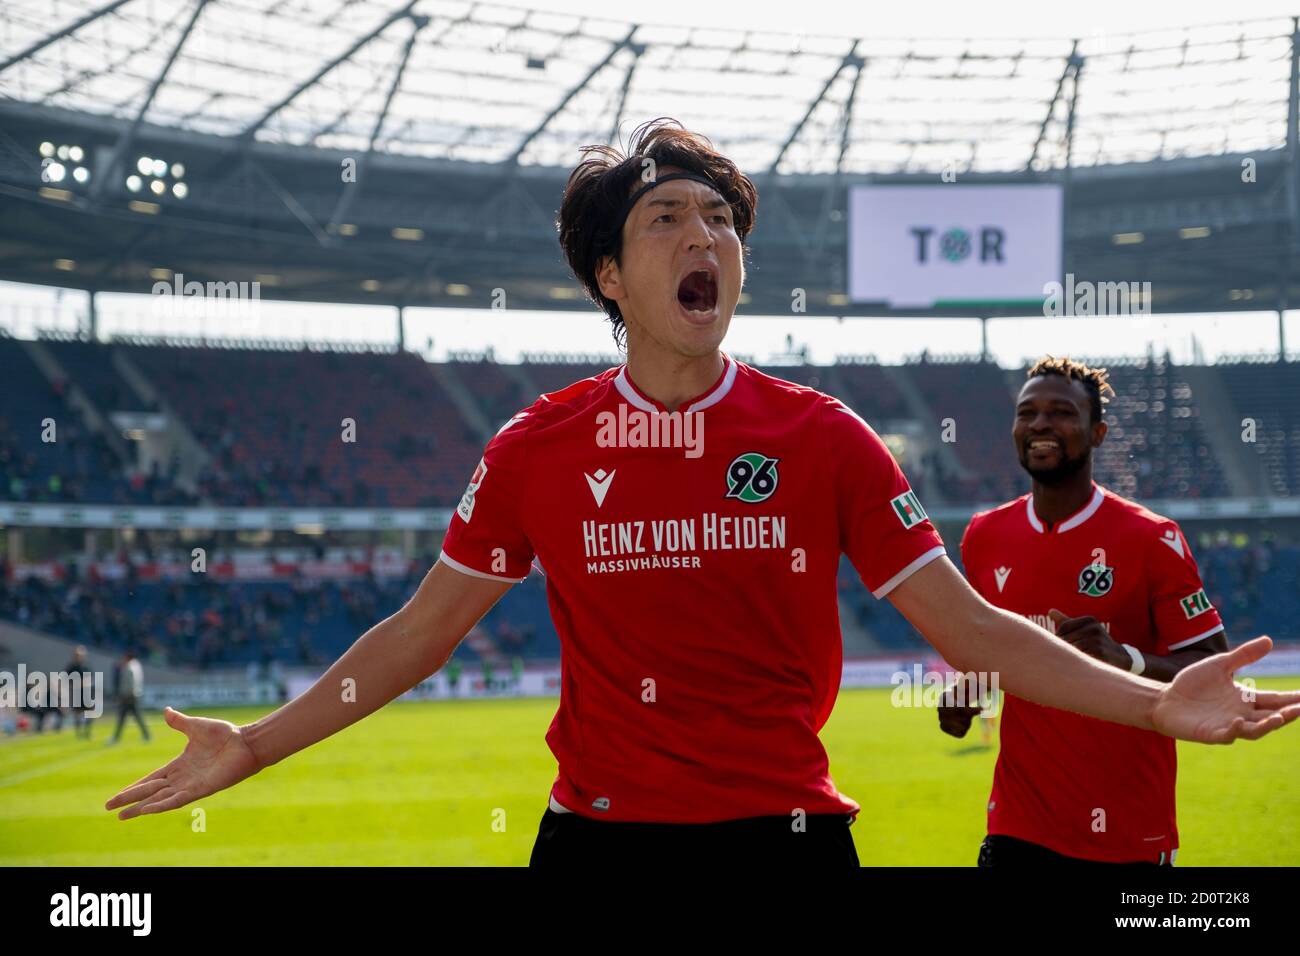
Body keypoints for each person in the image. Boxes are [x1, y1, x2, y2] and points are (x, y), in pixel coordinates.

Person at [106, 119, 1300, 870]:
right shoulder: (536, 447)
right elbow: (419, 633)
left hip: (787, 835)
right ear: (610, 275)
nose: (706, 237)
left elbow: (971, 629)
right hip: (598, 841)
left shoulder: (821, 436)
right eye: (668, 218)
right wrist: (256, 745)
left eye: (723, 221)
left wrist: (1147, 707)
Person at [940, 357, 1230, 866]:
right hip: (1018, 828)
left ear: (1097, 433)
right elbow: (993, 647)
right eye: (1027, 412)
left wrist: (1126, 659)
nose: (1041, 425)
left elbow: (1214, 675)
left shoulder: (1152, 539)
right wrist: (970, 688)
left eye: (1061, 412)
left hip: (1128, 833)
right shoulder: (985, 537)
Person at [110, 650, 151, 744]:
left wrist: (125, 695)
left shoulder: (129, 667)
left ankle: (116, 738)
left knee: (123, 718)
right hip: (134, 695)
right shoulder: (137, 665)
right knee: (135, 717)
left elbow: (129, 683)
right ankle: (146, 735)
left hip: (129, 696)